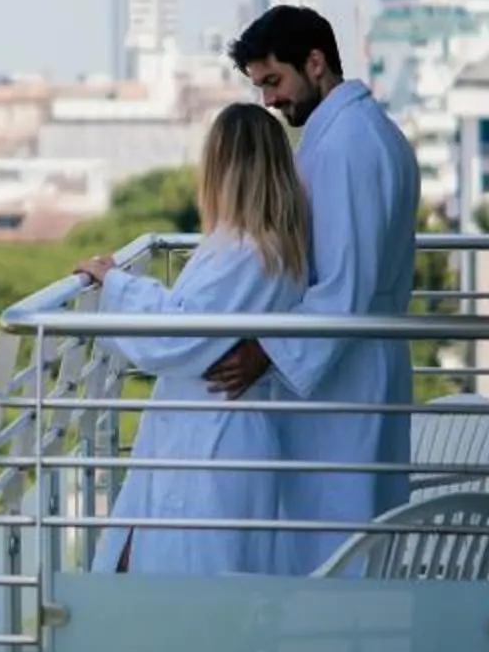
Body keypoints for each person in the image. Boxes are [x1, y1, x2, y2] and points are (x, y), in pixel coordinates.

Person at [203, 5, 422, 573]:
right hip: (349, 369)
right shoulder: (359, 133)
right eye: (259, 88)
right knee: (342, 541)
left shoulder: (350, 145)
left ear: (316, 62)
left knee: (337, 546)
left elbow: (344, 286)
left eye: (274, 82)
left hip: (347, 381)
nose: (269, 102)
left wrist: (263, 351)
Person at [73, 102, 312, 574]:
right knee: (173, 570)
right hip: (211, 432)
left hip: (214, 441)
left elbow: (178, 336)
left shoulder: (249, 255)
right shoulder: (263, 249)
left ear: (224, 169)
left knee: (190, 583)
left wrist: (116, 283)